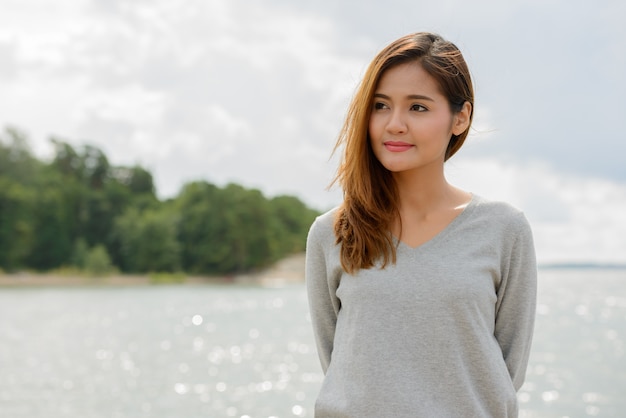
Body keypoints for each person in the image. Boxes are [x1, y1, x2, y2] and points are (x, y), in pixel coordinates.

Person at [305, 32, 537, 417]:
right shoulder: (331, 233)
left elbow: (506, 373)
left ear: (460, 117)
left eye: (418, 107)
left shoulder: (504, 229)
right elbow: (337, 364)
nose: (394, 124)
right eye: (380, 106)